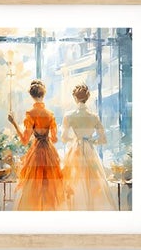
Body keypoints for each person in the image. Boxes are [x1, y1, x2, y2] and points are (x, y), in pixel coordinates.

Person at [7, 80, 65, 211]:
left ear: (32, 96)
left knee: (34, 186)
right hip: (49, 152)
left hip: (36, 152)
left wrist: (14, 123)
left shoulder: (30, 114)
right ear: (43, 94)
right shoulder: (50, 114)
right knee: (49, 187)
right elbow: (54, 139)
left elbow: (24, 140)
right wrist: (46, 134)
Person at [61, 84, 115, 210]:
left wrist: (76, 139)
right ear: (87, 97)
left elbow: (64, 138)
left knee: (75, 181)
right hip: (90, 150)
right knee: (93, 181)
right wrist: (91, 141)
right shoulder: (94, 116)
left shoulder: (69, 116)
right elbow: (103, 139)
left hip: (76, 149)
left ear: (75, 98)